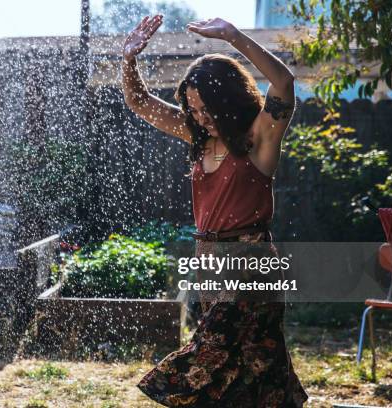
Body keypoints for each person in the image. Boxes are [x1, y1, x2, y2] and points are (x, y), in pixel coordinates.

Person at [122, 15, 308, 406]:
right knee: (256, 363)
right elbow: (139, 102)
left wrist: (233, 36)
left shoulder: (259, 138)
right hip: (208, 262)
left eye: (206, 108)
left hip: (249, 262)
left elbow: (284, 84)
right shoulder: (198, 137)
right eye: (193, 109)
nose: (200, 117)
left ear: (227, 99)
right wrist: (129, 60)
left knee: (212, 351)